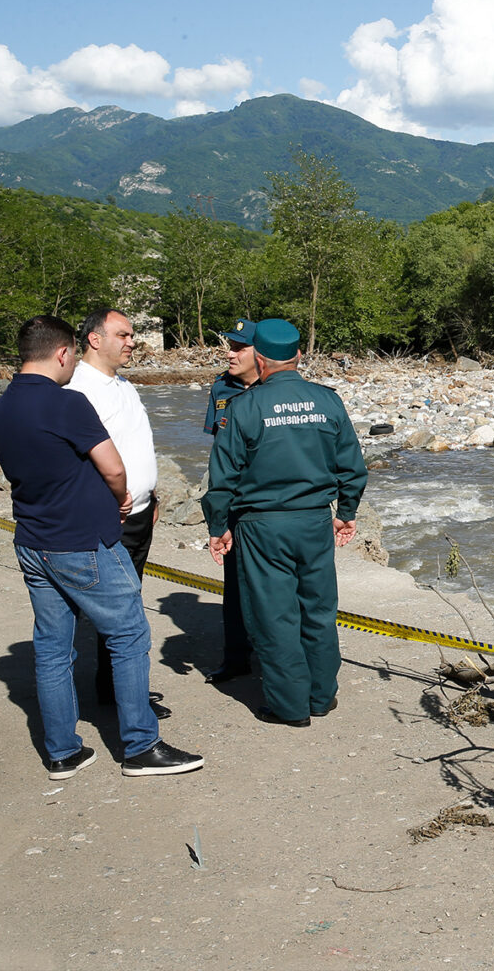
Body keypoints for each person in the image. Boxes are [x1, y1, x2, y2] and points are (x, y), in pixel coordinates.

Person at [0, 314, 203, 778]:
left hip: (33, 538)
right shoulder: (67, 402)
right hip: (82, 539)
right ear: (65, 352)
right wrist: (123, 497)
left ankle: (63, 751)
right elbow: (112, 467)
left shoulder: (3, 406)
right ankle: (140, 747)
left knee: (51, 648)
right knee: (129, 634)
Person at [201, 319, 367, 727]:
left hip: (263, 525)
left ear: (259, 358)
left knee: (274, 615)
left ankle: (289, 706)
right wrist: (346, 513)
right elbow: (352, 466)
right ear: (298, 356)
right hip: (313, 521)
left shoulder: (245, 406)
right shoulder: (328, 401)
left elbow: (223, 477)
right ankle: (321, 696)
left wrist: (217, 525)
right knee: (318, 609)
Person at [65, 308, 169, 719]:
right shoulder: (78, 389)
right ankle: (126, 700)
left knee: (130, 602)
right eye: (123, 335)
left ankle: (115, 690)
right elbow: (76, 456)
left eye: (132, 335)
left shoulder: (123, 384)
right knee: (120, 612)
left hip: (139, 512)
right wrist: (110, 498)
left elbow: (132, 443)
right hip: (110, 516)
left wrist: (150, 494)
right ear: (94, 338)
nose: (132, 342)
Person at [199, 318, 259, 684]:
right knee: (234, 585)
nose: (230, 353)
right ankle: (236, 656)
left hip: (268, 503)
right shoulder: (221, 387)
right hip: (234, 503)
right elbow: (217, 452)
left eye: (239, 347)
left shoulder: (278, 388)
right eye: (229, 346)